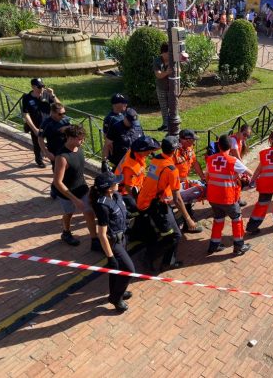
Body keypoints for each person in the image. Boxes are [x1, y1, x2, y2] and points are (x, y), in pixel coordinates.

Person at [137, 136, 200, 272]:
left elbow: (158, 180)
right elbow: (177, 199)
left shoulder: (157, 158)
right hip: (154, 204)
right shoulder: (172, 170)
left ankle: (168, 262)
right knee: (174, 236)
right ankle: (148, 257)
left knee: (174, 232)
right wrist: (188, 219)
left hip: (150, 198)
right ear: (175, 150)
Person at [90, 171, 135, 312]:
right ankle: (115, 298)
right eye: (116, 182)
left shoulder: (116, 195)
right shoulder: (102, 206)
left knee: (117, 270)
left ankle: (117, 292)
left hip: (123, 238)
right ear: (109, 188)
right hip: (113, 243)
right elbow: (102, 234)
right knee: (129, 269)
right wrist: (110, 257)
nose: (119, 183)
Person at [52, 125, 101, 250]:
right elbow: (57, 182)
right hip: (67, 193)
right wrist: (74, 199)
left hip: (82, 188)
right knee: (69, 214)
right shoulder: (62, 157)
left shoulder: (79, 149)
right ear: (70, 138)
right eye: (80, 139)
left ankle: (94, 240)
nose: (82, 142)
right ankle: (66, 232)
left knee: (89, 212)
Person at [206, 134, 252, 255]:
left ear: (218, 146)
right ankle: (239, 247)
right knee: (237, 219)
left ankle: (214, 245)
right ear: (230, 146)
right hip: (227, 198)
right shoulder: (233, 161)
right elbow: (249, 172)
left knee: (218, 219)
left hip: (213, 197)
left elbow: (207, 177)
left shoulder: (210, 159)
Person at [22, 78, 60, 168]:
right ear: (33, 87)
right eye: (39, 87)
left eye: (43, 86)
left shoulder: (47, 95)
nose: (42, 89)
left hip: (48, 125)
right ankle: (39, 160)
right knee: (37, 144)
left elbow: (60, 107)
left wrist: (53, 95)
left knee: (53, 143)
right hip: (36, 125)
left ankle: (54, 161)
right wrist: (34, 129)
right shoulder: (27, 98)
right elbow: (26, 114)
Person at [114, 135, 160, 208]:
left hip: (137, 184)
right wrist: (137, 199)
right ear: (141, 151)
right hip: (124, 191)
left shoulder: (135, 153)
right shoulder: (130, 167)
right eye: (148, 150)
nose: (150, 152)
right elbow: (128, 188)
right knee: (139, 206)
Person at [173, 129, 206, 225]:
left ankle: (187, 217)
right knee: (181, 200)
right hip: (173, 184)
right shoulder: (174, 151)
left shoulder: (189, 148)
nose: (194, 142)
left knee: (190, 196)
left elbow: (195, 163)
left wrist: (203, 178)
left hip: (184, 181)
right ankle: (185, 220)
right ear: (186, 140)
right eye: (193, 140)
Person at [229, 124, 252, 207]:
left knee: (237, 183)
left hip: (234, 165)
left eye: (248, 136)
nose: (245, 137)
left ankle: (237, 199)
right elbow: (237, 157)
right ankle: (234, 201)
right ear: (239, 131)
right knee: (235, 183)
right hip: (230, 165)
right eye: (244, 134)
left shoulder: (240, 139)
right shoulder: (233, 141)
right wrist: (245, 171)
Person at [154, 42, 172, 131]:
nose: (169, 55)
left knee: (172, 107)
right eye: (168, 53)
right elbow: (158, 75)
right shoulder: (157, 61)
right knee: (164, 107)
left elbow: (179, 70)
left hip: (172, 88)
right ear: (163, 52)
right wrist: (167, 72)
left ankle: (172, 125)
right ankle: (165, 125)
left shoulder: (173, 60)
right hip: (161, 87)